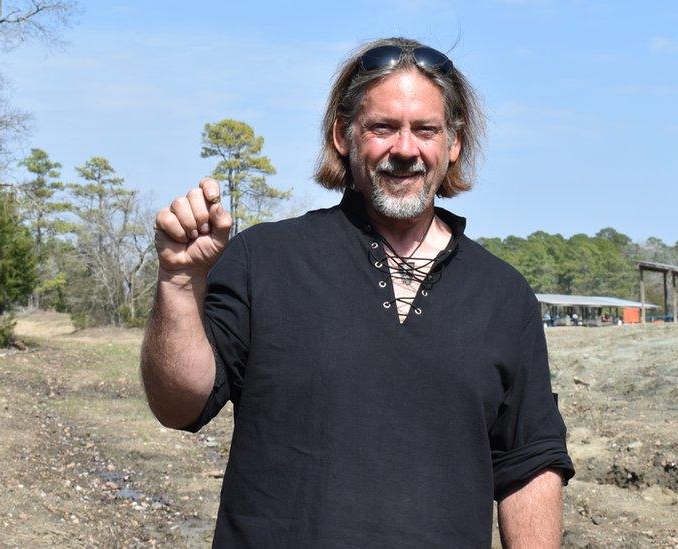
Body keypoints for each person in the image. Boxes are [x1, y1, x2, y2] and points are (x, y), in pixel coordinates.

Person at [141, 37, 574, 548]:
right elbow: (178, 405)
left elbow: (529, 465)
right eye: (383, 128)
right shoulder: (266, 259)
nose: (405, 149)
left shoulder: (503, 296)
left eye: (426, 130)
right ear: (343, 135)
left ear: (454, 144)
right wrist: (178, 282)